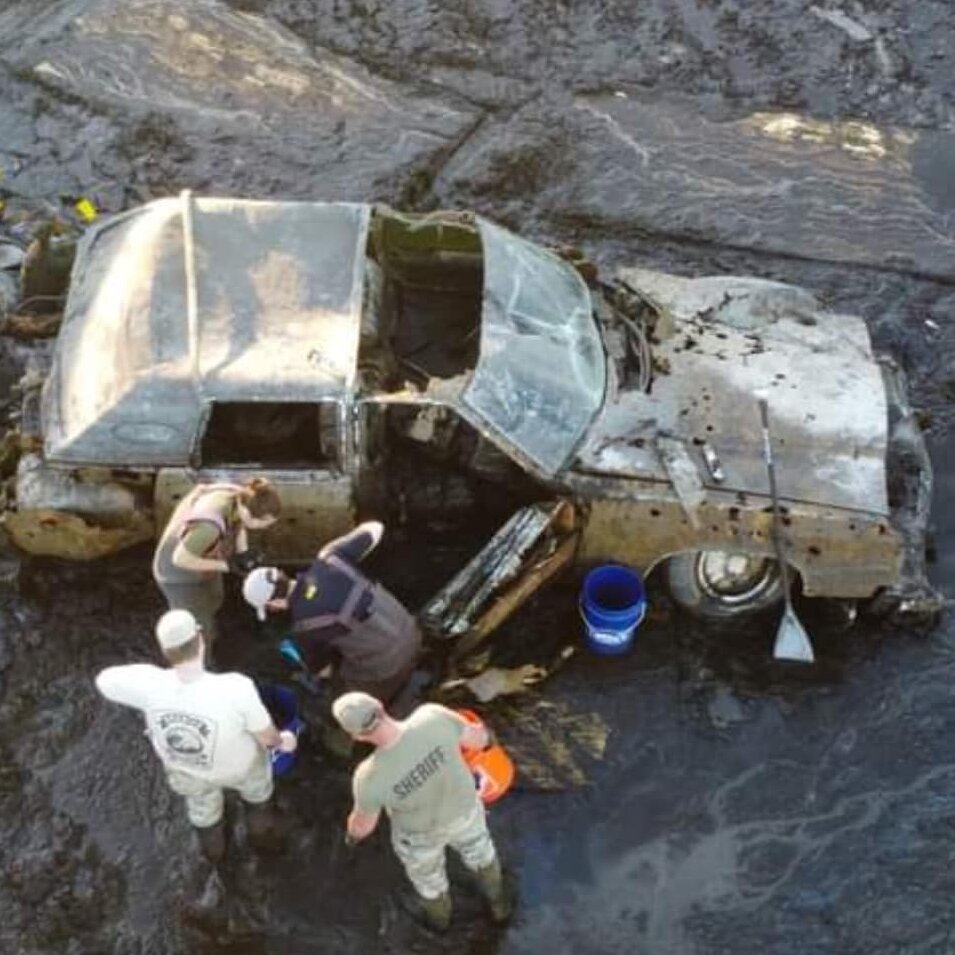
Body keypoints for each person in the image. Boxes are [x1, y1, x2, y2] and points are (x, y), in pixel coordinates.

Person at [94, 609, 296, 863]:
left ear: (165, 651)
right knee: (258, 800)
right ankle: (264, 844)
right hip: (241, 767)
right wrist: (285, 741)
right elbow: (268, 739)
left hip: (186, 770)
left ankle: (216, 857)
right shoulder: (235, 687)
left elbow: (103, 680)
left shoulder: (149, 685)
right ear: (201, 640)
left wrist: (149, 674)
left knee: (204, 814)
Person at [334, 692, 511, 932]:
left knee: (430, 882)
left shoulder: (368, 777)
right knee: (482, 855)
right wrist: (488, 739)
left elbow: (363, 826)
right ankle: (499, 905)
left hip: (419, 836)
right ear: (380, 704)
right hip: (465, 813)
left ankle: (440, 923)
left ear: (355, 735)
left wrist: (351, 839)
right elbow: (480, 740)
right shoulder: (433, 717)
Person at [241, 521, 420, 706]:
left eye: (269, 608)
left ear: (274, 603)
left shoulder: (304, 626)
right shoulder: (331, 557)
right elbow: (375, 529)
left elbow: (324, 670)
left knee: (349, 695)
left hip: (388, 668)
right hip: (411, 630)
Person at [152, 477, 281, 647]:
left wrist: (243, 553)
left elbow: (239, 524)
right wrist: (227, 565)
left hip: (206, 560)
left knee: (215, 598)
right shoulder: (208, 527)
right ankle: (202, 658)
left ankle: (212, 626)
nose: (265, 527)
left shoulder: (240, 497)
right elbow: (180, 559)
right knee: (196, 625)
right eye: (263, 523)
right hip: (178, 575)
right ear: (248, 512)